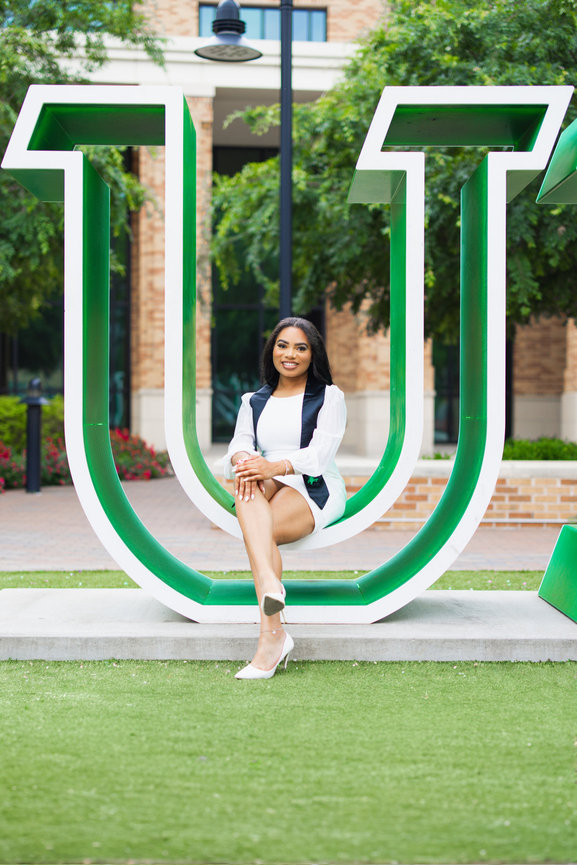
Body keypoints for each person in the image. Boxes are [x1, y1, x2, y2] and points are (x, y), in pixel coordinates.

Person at [225, 317, 347, 679]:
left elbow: (320, 456)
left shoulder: (329, 396)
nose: (290, 354)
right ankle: (272, 609)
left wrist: (272, 466)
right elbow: (239, 443)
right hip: (265, 479)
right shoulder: (254, 400)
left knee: (260, 532)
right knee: (245, 482)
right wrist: (244, 461)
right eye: (282, 345)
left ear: (313, 355)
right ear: (272, 350)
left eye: (300, 347)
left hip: (314, 485)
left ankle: (271, 631)